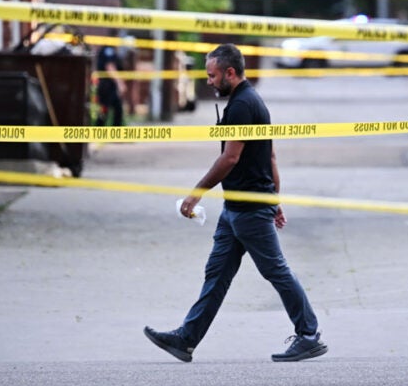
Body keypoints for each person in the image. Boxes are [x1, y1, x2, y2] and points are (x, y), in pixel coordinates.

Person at [144, 43, 327, 363]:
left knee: (276, 271)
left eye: (213, 75)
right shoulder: (248, 101)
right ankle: (186, 339)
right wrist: (276, 199)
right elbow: (268, 155)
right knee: (216, 274)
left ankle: (309, 333)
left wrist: (196, 192)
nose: (209, 81)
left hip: (249, 209)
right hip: (237, 209)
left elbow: (230, 157)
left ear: (230, 72)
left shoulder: (244, 105)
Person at [94, 45, 126, 127]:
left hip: (110, 85)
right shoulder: (109, 50)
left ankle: (113, 134)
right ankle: (99, 133)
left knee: (116, 110)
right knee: (106, 110)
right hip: (107, 86)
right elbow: (110, 67)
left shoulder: (109, 50)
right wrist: (120, 83)